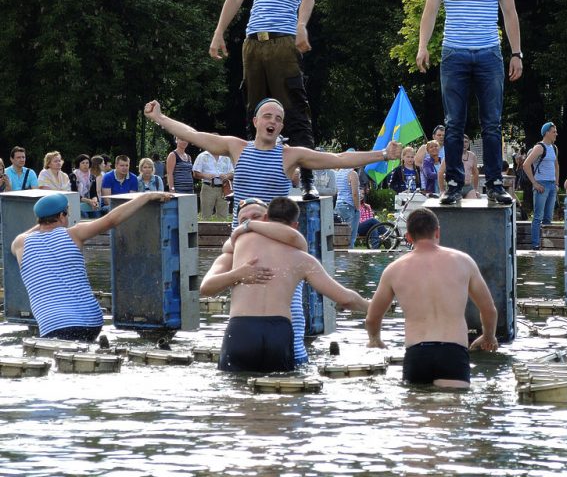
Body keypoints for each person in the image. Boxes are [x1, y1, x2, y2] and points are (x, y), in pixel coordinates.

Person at [143, 98, 400, 366]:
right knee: (244, 302)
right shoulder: (236, 147)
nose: (273, 122)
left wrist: (383, 154)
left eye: (278, 119)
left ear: (281, 127)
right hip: (243, 244)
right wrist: (160, 118)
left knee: (292, 308)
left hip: (279, 242)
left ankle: (295, 360)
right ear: (256, 121)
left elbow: (338, 159)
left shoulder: (289, 155)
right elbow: (194, 135)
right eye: (268, 116)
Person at [208, 0, 319, 200]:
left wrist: (301, 25)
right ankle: (248, 179)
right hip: (253, 43)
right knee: (254, 114)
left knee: (294, 111)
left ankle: (307, 180)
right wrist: (219, 32)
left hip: (283, 41)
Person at [416, 0, 521, 206]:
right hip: (454, 53)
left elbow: (510, 13)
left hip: (489, 53)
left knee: (492, 122)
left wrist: (516, 53)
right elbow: (430, 11)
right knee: (453, 123)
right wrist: (423, 46)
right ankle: (453, 184)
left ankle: (495, 183)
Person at [201, 197, 369, 372]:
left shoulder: (296, 252)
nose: (250, 223)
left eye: (256, 217)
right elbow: (206, 288)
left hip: (248, 330)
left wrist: (246, 227)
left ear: (267, 218)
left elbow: (292, 237)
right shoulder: (299, 256)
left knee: (237, 386)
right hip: (277, 332)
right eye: (244, 220)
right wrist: (238, 274)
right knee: (281, 386)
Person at [11, 191, 171, 341]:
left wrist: (43, 220)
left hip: (53, 324)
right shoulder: (74, 234)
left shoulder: (20, 243)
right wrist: (146, 196)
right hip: (91, 322)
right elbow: (111, 220)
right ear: (61, 216)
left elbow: (30, 233)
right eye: (67, 213)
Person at [365, 208, 498, 388]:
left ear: (408, 237)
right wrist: (488, 336)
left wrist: (375, 339)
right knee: (452, 403)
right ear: (437, 232)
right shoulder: (464, 262)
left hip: (417, 353)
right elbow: (488, 310)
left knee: (418, 403)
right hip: (453, 352)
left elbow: (372, 318)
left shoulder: (394, 270)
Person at [523, 123, 559, 250]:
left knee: (548, 217)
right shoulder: (539, 147)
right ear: (547, 133)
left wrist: (556, 183)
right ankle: (535, 244)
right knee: (538, 216)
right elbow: (526, 164)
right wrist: (534, 183)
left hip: (552, 184)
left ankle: (546, 244)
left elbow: (556, 166)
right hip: (541, 184)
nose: (556, 134)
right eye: (554, 132)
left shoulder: (554, 147)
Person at [192, 147, 234, 219]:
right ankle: (205, 227)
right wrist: (205, 176)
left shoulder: (226, 157)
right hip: (208, 187)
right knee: (206, 215)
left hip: (224, 189)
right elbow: (195, 173)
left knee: (223, 216)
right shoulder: (202, 156)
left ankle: (222, 227)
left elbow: (233, 173)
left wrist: (226, 176)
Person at [438, 135, 480, 199]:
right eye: (461, 142)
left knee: (473, 203)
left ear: (469, 143)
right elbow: (440, 172)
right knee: (456, 204)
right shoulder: (450, 155)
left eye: (466, 142)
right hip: (454, 187)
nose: (464, 144)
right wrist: (442, 190)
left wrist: (475, 189)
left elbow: (475, 173)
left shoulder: (472, 155)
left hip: (468, 187)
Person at [335, 162, 360, 248]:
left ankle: (341, 254)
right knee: (350, 237)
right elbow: (355, 193)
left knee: (341, 235)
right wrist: (357, 208)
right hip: (349, 205)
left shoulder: (338, 173)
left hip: (339, 205)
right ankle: (349, 254)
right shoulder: (352, 174)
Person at [69, 154, 99, 218]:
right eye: (83, 163)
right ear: (78, 164)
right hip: (77, 203)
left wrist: (95, 200)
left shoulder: (92, 176)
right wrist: (89, 201)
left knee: (97, 214)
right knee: (85, 216)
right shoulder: (73, 176)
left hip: (90, 202)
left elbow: (94, 193)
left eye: (87, 163)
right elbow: (74, 194)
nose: (85, 165)